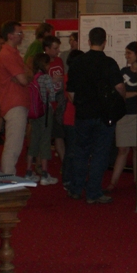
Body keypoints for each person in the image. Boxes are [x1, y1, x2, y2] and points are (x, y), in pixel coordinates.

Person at [66, 27, 124, 204]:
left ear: (89, 41)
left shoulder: (78, 62)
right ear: (105, 42)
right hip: (104, 116)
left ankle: (76, 189)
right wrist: (119, 102)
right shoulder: (109, 63)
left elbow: (71, 92)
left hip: (83, 114)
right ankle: (93, 193)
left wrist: (80, 104)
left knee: (81, 152)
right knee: (100, 154)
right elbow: (119, 87)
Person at [0, 21, 31, 175]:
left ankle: (8, 176)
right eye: (19, 33)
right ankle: (8, 178)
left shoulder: (14, 53)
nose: (22, 35)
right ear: (10, 35)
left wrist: (24, 76)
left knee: (16, 144)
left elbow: (28, 73)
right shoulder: (7, 54)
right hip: (13, 104)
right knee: (13, 145)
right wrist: (24, 76)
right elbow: (24, 79)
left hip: (18, 102)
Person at [106, 41, 137, 192]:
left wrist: (131, 94)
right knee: (122, 150)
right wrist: (136, 93)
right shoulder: (124, 71)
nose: (126, 56)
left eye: (129, 53)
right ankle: (113, 183)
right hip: (124, 114)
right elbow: (120, 93)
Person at [25, 53, 58, 185]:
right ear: (44, 64)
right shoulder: (46, 78)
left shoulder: (33, 77)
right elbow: (52, 97)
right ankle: (44, 174)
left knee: (34, 140)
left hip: (34, 112)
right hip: (45, 112)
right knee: (45, 141)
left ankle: (28, 171)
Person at [43, 35, 66, 164]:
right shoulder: (42, 62)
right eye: (55, 48)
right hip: (47, 102)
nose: (58, 51)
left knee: (59, 134)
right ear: (47, 49)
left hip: (59, 101)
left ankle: (64, 162)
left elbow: (62, 79)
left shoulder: (59, 61)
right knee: (45, 135)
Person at [62, 49, 83, 190]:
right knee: (71, 151)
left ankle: (74, 178)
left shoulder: (76, 77)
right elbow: (72, 98)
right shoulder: (69, 77)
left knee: (76, 151)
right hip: (71, 117)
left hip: (77, 117)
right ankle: (67, 179)